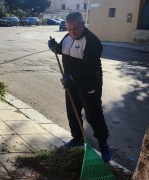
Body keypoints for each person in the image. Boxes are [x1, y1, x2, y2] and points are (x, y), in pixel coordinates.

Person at [47, 11, 111, 162]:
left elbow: (90, 67)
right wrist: (54, 47)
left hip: (89, 82)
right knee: (72, 109)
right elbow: (61, 50)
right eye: (68, 29)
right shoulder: (68, 36)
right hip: (71, 81)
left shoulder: (92, 42)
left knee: (93, 114)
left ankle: (103, 143)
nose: (71, 32)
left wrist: (73, 78)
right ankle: (77, 138)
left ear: (83, 23)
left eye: (75, 28)